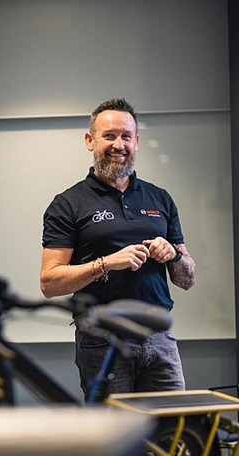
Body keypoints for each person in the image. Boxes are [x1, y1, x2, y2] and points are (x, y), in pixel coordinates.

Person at [40, 97, 196, 402]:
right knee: (114, 429)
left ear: (136, 142)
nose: (118, 145)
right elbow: (50, 282)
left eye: (126, 136)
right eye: (109, 136)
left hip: (160, 338)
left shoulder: (160, 199)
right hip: (102, 341)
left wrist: (174, 254)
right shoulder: (68, 204)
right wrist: (107, 263)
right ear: (90, 141)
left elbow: (187, 280)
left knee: (172, 426)